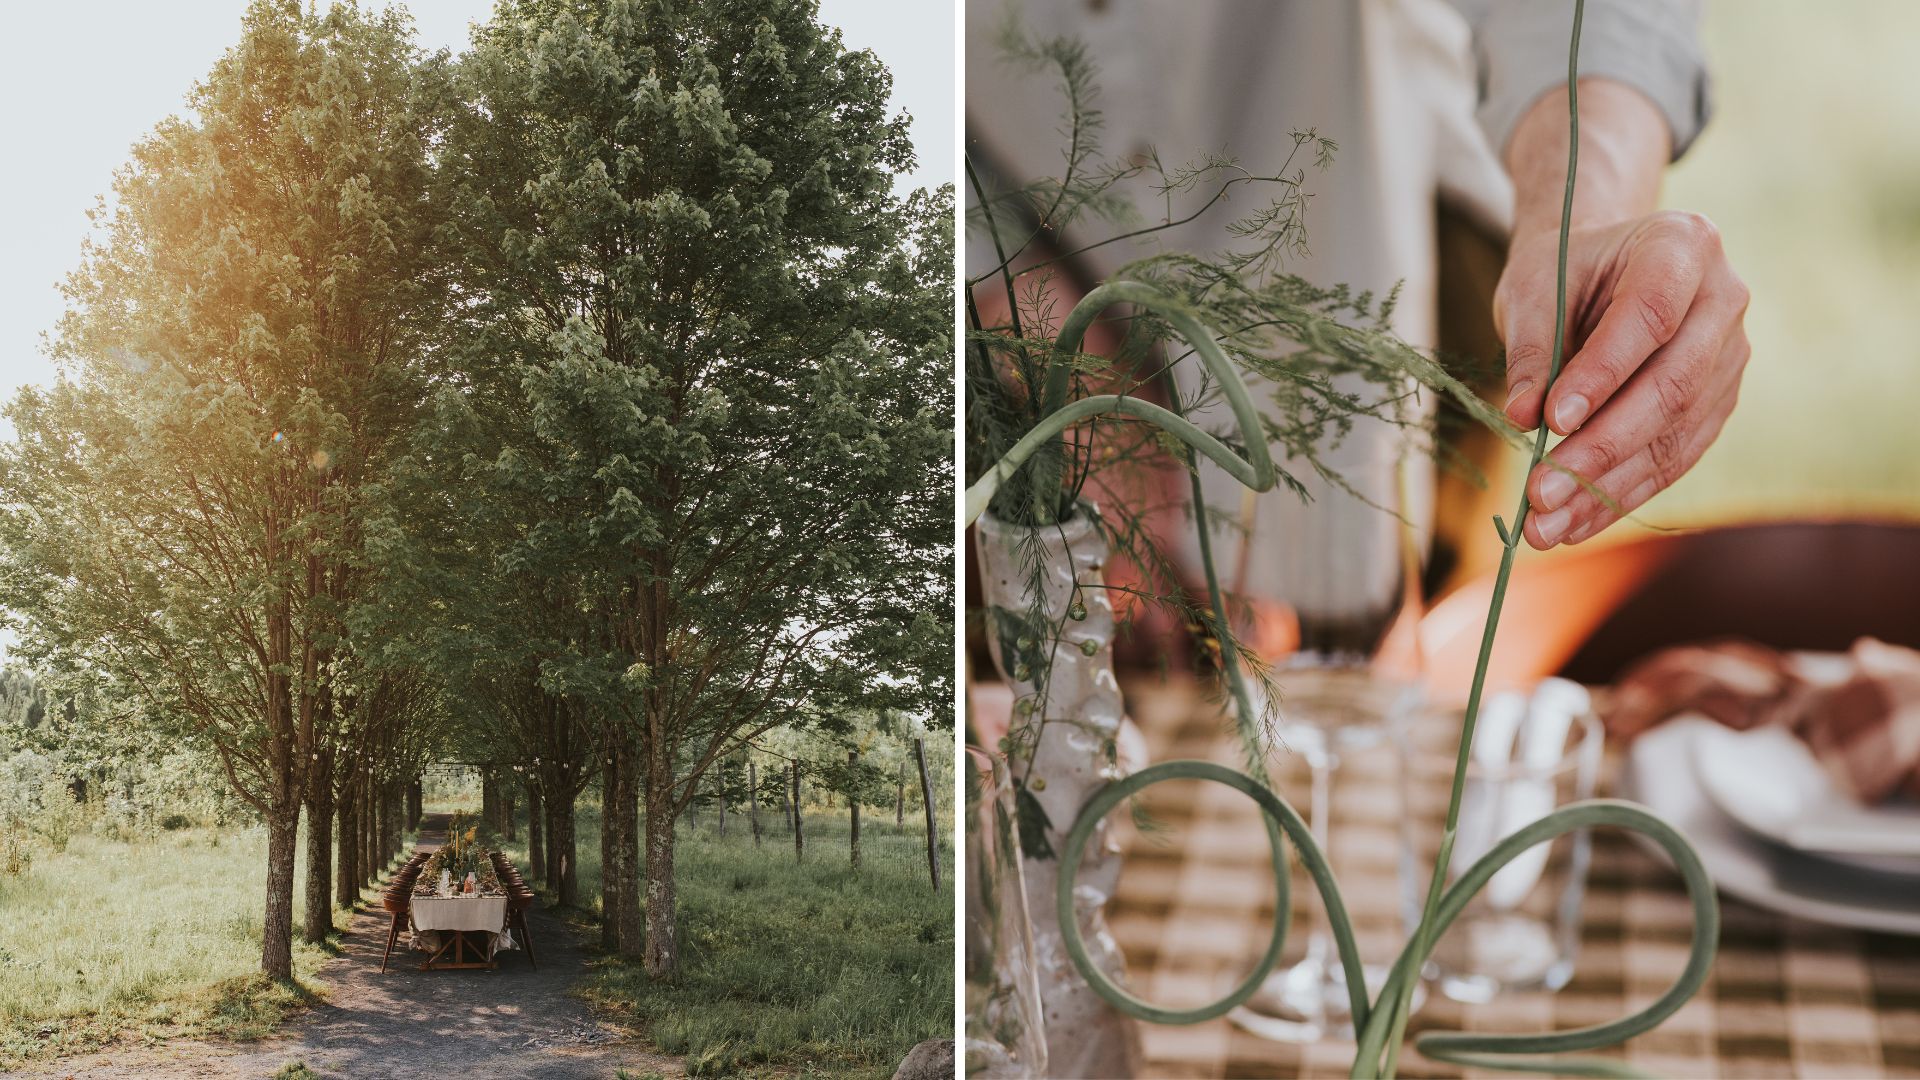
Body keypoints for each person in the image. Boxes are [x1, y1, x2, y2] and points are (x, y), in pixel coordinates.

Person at [966, 0, 1749, 583]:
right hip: (1008, 263)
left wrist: (1589, 215)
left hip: (1373, 252)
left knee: (1372, 665)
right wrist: (1019, 299)